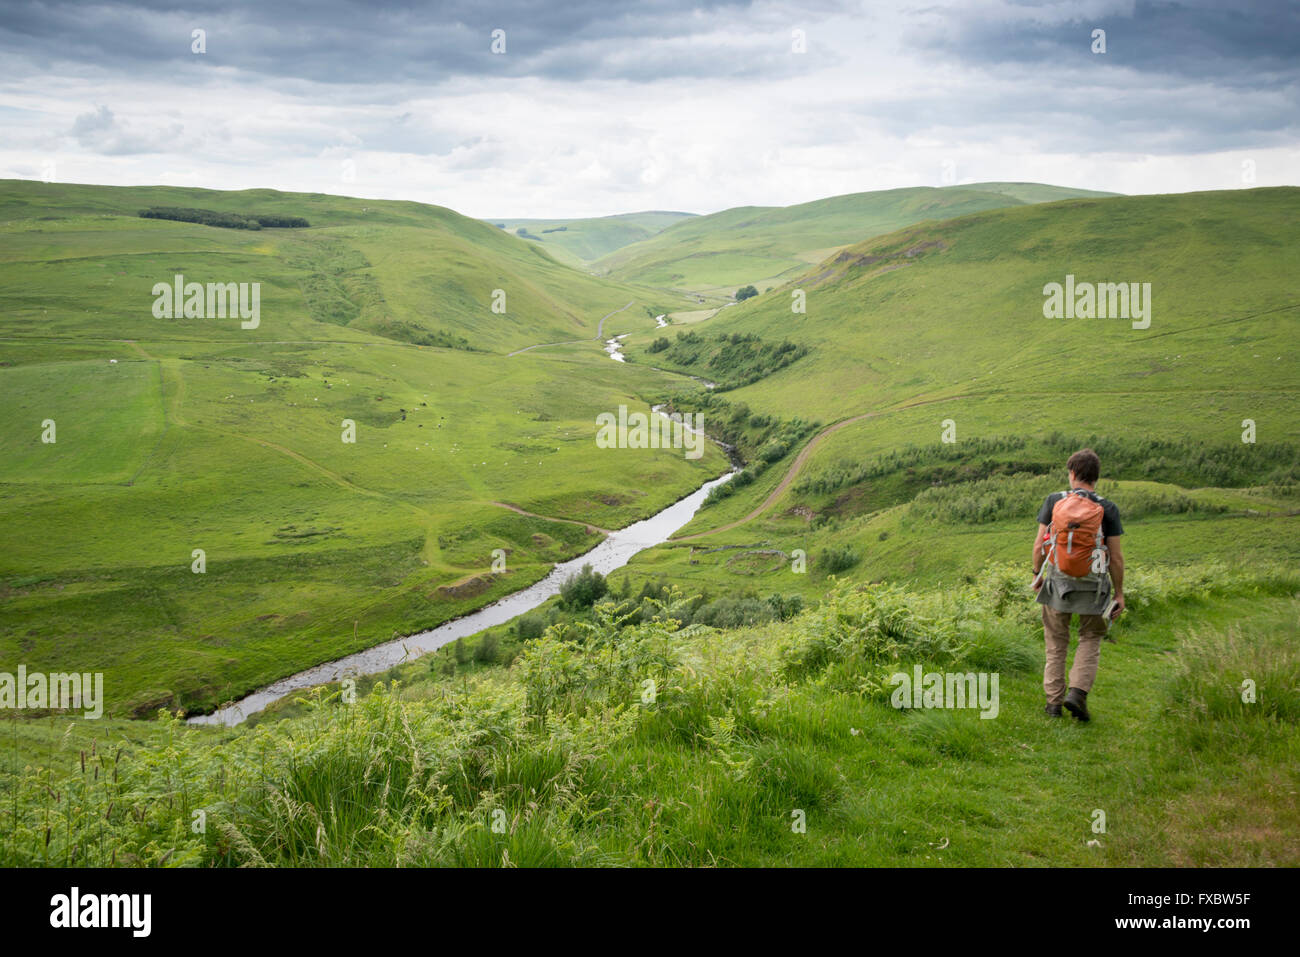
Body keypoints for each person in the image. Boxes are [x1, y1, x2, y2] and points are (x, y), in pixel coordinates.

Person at [1031, 448, 1124, 721]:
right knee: (1091, 638)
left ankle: (1053, 704)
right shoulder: (1107, 508)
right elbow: (1116, 558)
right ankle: (1078, 693)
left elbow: (1039, 545)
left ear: (1072, 474)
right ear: (1096, 478)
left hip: (1058, 583)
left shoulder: (1053, 501)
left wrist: (1038, 575)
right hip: (1094, 587)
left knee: (1056, 641)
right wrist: (1119, 593)